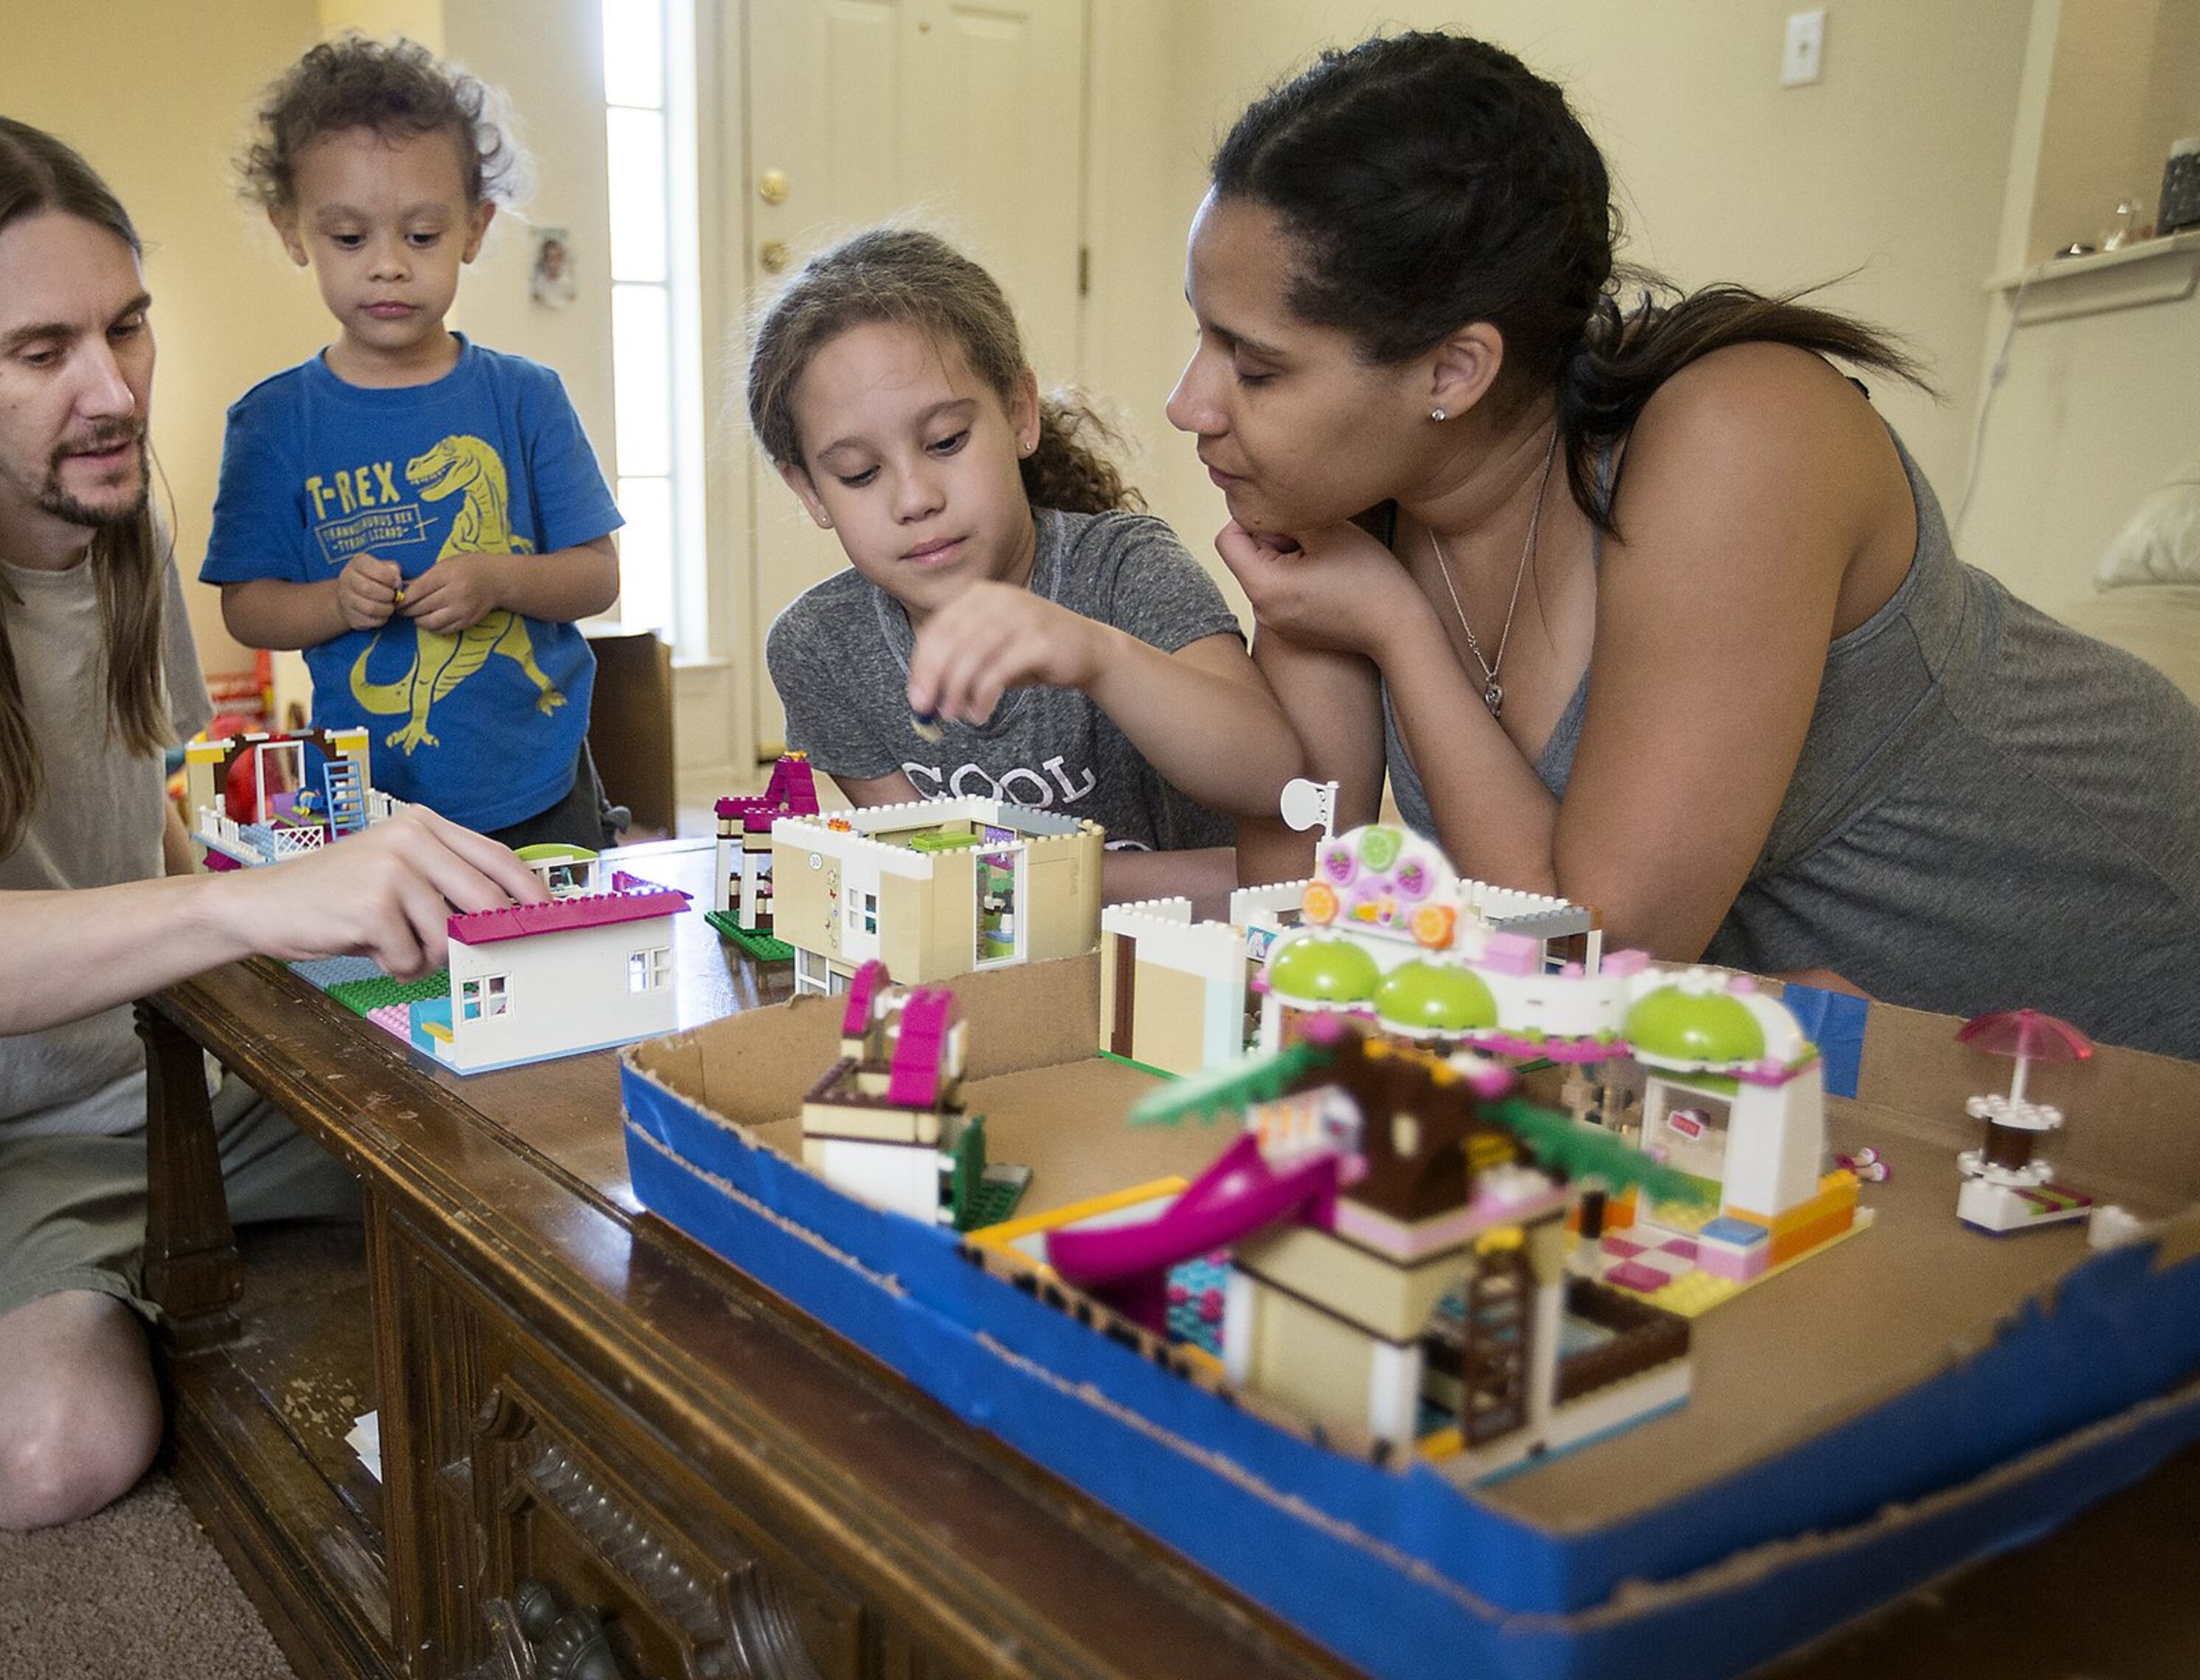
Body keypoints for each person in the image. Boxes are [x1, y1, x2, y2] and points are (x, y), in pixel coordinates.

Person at [0, 110, 542, 1531]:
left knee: (535, 1181)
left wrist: (291, 950)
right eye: (41, 354)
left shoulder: (122, 538)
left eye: (128, 328)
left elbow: (145, 812)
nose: (113, 391)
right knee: (60, 1453)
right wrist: (237, 905)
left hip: (178, 1076)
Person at [1171, 32, 2200, 1055]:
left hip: (2126, 1001)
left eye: (1254, 367)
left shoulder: (1741, 432)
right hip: (1827, 1085)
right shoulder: (1343, 506)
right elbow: (1292, 907)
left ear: (1453, 372)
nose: (1188, 404)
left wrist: (1396, 627)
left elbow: (1590, 946)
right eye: (1202, 335)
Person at [748, 226, 1305, 908]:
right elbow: (930, 887)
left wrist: (1096, 656)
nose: (916, 499)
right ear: (810, 491)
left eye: (947, 441)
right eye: (859, 474)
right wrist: (1183, 881)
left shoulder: (1122, 566)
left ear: (1019, 414)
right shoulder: (822, 648)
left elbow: (1274, 780)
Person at [204, 33, 623, 850]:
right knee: (390, 978)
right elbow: (247, 607)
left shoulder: (525, 397)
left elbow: (598, 576)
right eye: (350, 239)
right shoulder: (273, 422)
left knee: (561, 963)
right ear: (293, 232)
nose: (388, 267)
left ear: (475, 227)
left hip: (539, 778)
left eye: (422, 236)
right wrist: (333, 601)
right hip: (373, 799)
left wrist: (498, 578)